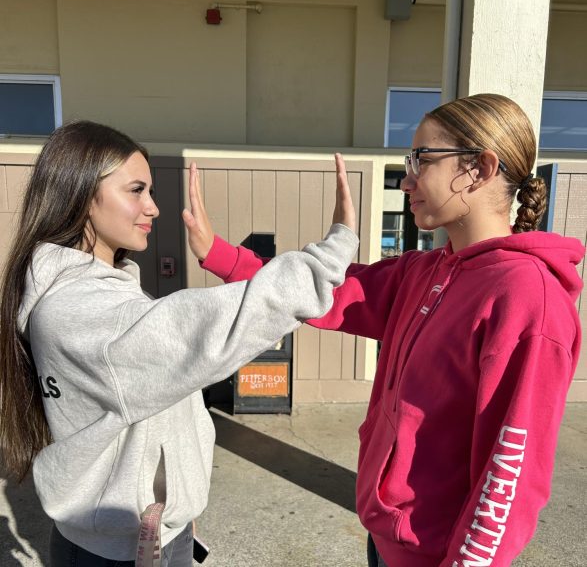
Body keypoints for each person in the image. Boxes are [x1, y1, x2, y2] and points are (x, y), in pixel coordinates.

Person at [193, 94, 585, 566]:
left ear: (480, 168)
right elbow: (327, 289)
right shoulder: (425, 271)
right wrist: (219, 253)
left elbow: (510, 476)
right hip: (386, 537)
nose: (407, 179)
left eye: (422, 158)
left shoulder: (527, 298)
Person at [0, 121, 358, 567]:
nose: (152, 208)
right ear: (80, 194)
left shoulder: (95, 297)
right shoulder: (82, 312)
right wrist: (336, 248)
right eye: (136, 190)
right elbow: (216, 325)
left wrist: (179, 507)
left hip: (139, 533)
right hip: (127, 551)